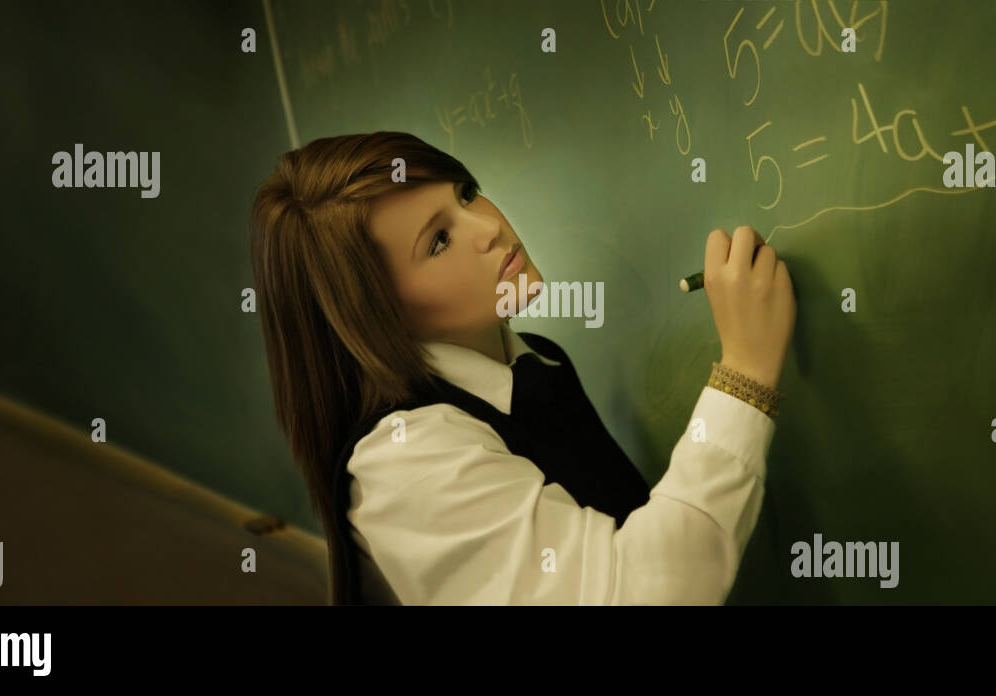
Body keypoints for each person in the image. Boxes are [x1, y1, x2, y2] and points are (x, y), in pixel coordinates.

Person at [249, 131, 796, 605]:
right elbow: (635, 592)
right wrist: (744, 374)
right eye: (438, 241)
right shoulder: (407, 465)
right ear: (377, 314)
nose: (486, 227)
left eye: (466, 193)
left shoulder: (531, 359)